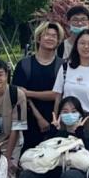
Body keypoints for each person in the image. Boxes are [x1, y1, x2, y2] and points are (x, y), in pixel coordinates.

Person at [13, 21, 65, 153]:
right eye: (46, 34)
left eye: (54, 36)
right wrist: (39, 118)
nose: (50, 38)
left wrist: (29, 93)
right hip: (29, 120)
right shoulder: (24, 65)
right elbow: (19, 93)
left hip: (56, 120)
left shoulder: (63, 66)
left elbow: (57, 94)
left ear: (58, 41)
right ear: (38, 38)